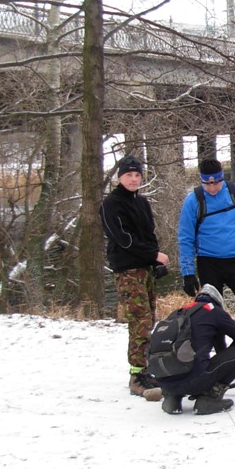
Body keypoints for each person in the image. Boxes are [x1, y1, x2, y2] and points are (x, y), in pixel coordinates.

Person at [177, 158, 235, 356]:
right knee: (212, 312)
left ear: (222, 178)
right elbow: (185, 239)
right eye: (207, 184)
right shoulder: (193, 200)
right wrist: (187, 273)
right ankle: (222, 355)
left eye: (216, 183)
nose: (212, 188)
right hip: (209, 263)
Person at [99, 155, 170, 402]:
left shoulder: (142, 202)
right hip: (127, 270)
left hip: (144, 268)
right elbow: (123, 239)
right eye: (129, 175)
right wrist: (153, 255)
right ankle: (136, 375)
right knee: (139, 320)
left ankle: (146, 369)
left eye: (137, 175)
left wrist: (155, 261)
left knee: (149, 318)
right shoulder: (111, 204)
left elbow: (149, 235)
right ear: (120, 177)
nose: (133, 179)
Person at [158, 284, 235, 416]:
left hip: (164, 381)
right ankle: (209, 399)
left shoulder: (178, 312)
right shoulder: (214, 311)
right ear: (218, 301)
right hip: (193, 381)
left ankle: (172, 398)